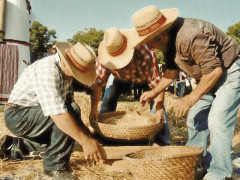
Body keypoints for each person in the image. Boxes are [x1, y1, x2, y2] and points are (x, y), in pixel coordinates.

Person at [131, 5, 240, 180]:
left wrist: (190, 98)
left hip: (229, 73)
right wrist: (154, 91)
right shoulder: (168, 44)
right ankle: (194, 163)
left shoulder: (191, 35)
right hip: (208, 77)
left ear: (162, 34)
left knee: (217, 122)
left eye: (150, 41)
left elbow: (214, 71)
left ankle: (219, 173)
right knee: (195, 118)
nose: (150, 47)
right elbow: (172, 71)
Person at [0, 42, 102, 179]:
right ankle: (54, 166)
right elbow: (58, 114)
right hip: (18, 115)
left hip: (34, 114)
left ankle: (15, 146)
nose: (75, 76)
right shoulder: (47, 70)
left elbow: (72, 109)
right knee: (64, 119)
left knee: (72, 112)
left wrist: (89, 136)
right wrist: (84, 142)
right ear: (66, 63)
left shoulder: (65, 74)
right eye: (75, 72)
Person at [90, 28, 170, 145]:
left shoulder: (146, 54)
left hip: (143, 78)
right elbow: (97, 84)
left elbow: (157, 84)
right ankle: (102, 137)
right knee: (108, 100)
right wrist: (93, 108)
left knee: (157, 109)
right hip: (118, 77)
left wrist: (159, 109)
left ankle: (162, 141)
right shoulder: (103, 59)